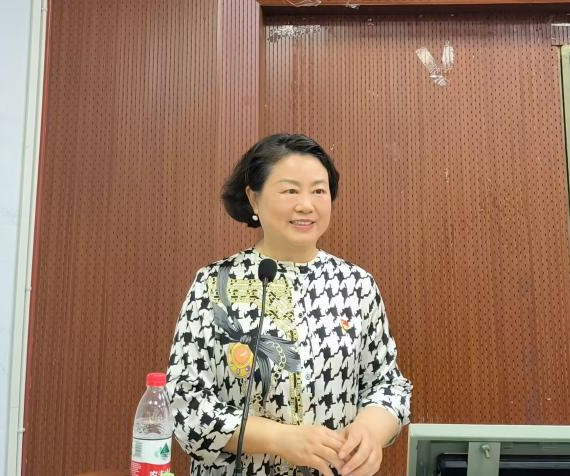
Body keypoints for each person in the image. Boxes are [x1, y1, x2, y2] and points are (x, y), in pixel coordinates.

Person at [167, 133, 412, 476]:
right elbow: (186, 404)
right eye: (290, 191)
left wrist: (370, 432)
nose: (306, 205)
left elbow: (387, 385)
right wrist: (280, 439)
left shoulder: (356, 285)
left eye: (319, 191)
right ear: (253, 198)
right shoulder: (215, 284)